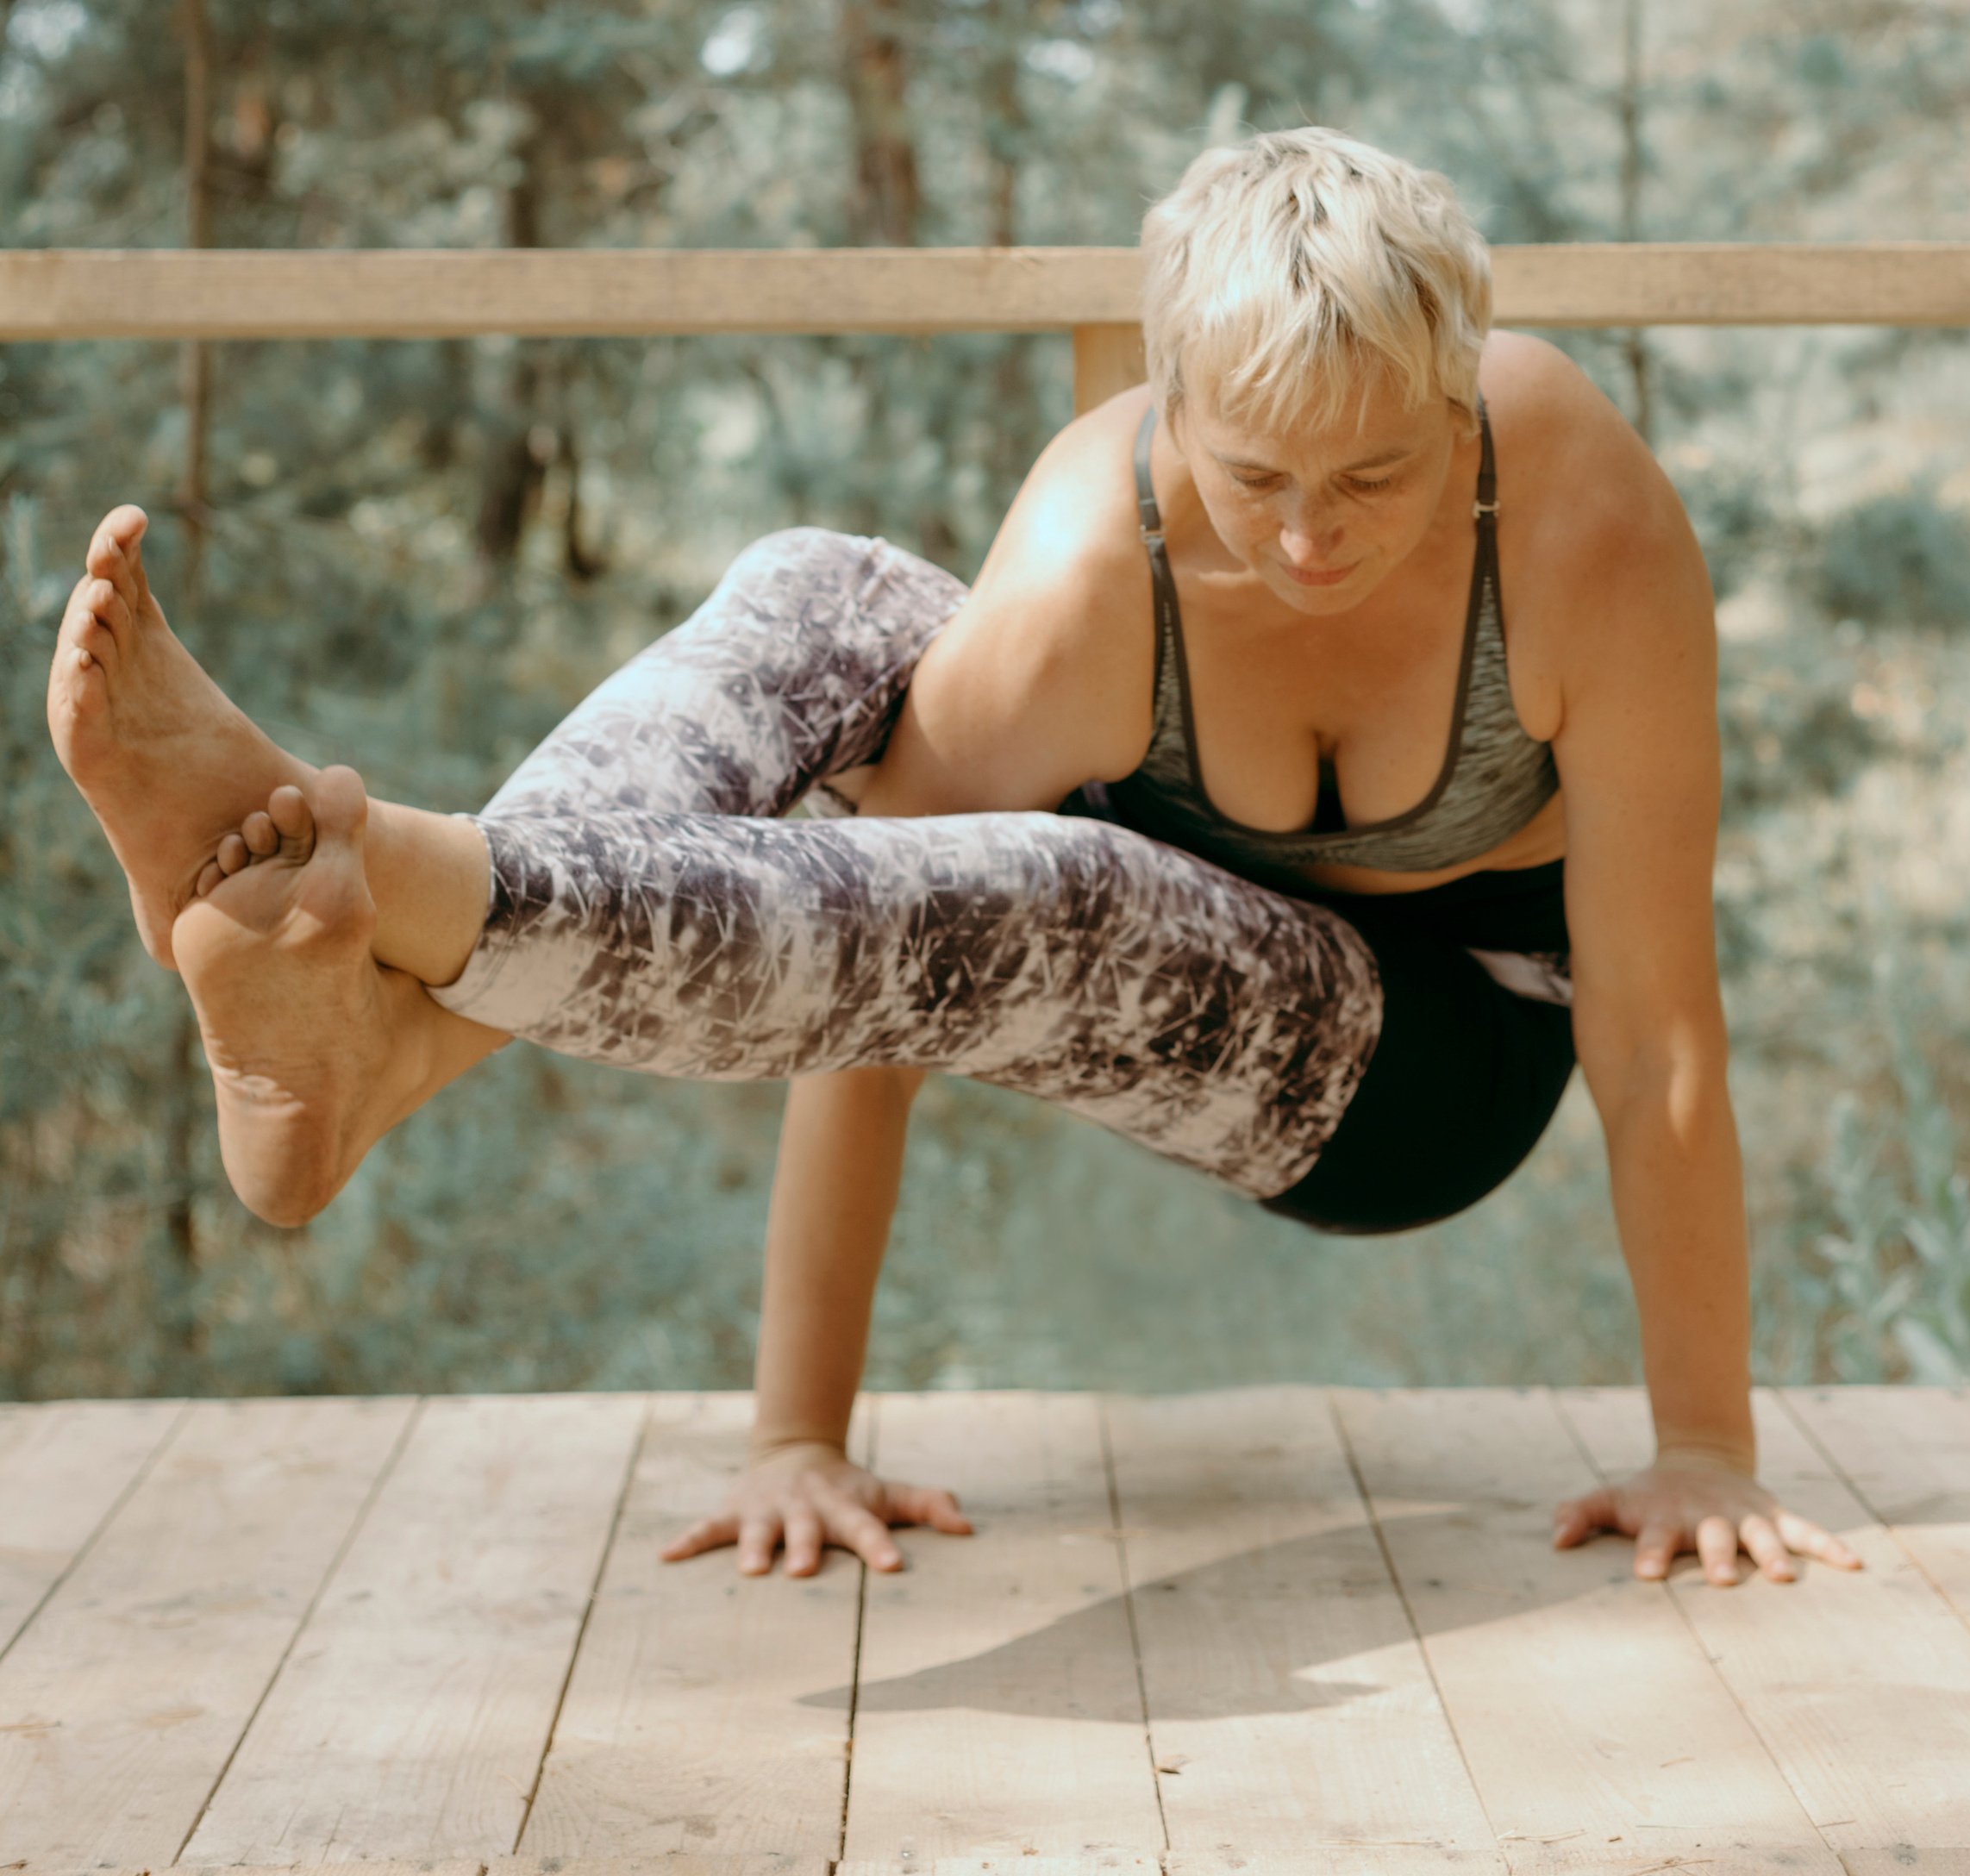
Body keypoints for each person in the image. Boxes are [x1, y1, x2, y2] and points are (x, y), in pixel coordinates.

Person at [47, 128, 1860, 1594]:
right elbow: (882, 959)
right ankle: (377, 1028)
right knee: (817, 591)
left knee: (1054, 890)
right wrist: (797, 1434)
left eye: (1371, 479)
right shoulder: (1087, 570)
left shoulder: (1576, 521)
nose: (1310, 538)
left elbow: (1655, 1025)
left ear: (1457, 398)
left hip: (1434, 1060)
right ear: (1169, 399)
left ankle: (394, 912)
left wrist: (1702, 1444)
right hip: (1104, 892)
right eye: (1254, 478)